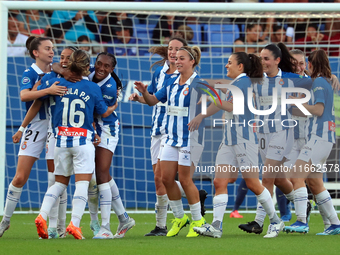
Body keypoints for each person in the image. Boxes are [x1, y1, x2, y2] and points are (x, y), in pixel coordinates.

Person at [193, 52, 284, 238]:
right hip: (229, 140)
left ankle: (276, 221)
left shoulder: (243, 83)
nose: (226, 66)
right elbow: (222, 105)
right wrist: (202, 114)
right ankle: (217, 226)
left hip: (244, 140)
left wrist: (210, 93)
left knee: (252, 183)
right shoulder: (237, 84)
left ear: (240, 66)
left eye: (229, 63)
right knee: (219, 181)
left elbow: (231, 107)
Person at [34, 49, 116, 239]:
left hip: (61, 141)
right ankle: (75, 224)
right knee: (82, 183)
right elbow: (103, 112)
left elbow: (38, 91)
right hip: (82, 142)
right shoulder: (93, 88)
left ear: (69, 64)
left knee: (58, 184)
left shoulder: (54, 82)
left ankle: (42, 215)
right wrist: (114, 106)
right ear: (87, 67)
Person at [130, 37, 207, 236]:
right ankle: (180, 217)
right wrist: (143, 93)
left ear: (192, 62)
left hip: (189, 139)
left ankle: (198, 222)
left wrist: (200, 115)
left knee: (185, 179)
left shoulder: (199, 83)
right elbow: (153, 100)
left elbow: (217, 101)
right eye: (176, 57)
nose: (177, 60)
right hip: (169, 137)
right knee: (165, 178)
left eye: (182, 58)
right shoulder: (171, 81)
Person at [238, 43, 312, 234]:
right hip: (262, 132)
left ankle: (261, 222)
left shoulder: (290, 79)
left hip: (282, 132)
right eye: (261, 58)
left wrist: (331, 78)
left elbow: (315, 83)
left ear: (277, 60)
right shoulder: (256, 79)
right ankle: (301, 202)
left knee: (267, 177)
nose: (263, 62)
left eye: (266, 58)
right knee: (279, 179)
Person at [0, 36, 66, 238]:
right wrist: (22, 127)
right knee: (20, 177)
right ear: (36, 53)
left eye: (53, 48)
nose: (52, 51)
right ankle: (5, 220)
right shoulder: (30, 72)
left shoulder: (56, 70)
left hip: (55, 128)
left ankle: (56, 227)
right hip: (36, 127)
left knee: (54, 178)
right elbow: (24, 96)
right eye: (47, 48)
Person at [11, 46, 78, 239]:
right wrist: (22, 128)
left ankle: (94, 224)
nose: (63, 60)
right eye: (61, 56)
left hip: (78, 135)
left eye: (68, 57)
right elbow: (35, 102)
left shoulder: (84, 79)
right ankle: (55, 227)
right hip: (54, 133)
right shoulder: (51, 78)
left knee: (90, 181)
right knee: (56, 179)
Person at [284, 49, 340, 235]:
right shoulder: (324, 81)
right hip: (324, 138)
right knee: (315, 183)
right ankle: (334, 224)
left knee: (296, 177)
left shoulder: (318, 83)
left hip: (318, 137)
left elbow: (318, 109)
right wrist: (293, 108)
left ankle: (301, 221)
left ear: (310, 64)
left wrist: (295, 102)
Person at [88, 52, 135, 239]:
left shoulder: (109, 87)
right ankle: (124, 217)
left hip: (106, 129)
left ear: (112, 69)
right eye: (99, 64)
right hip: (91, 128)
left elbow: (102, 112)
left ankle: (105, 227)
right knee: (101, 175)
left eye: (106, 66)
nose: (101, 68)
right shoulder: (89, 73)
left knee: (101, 175)